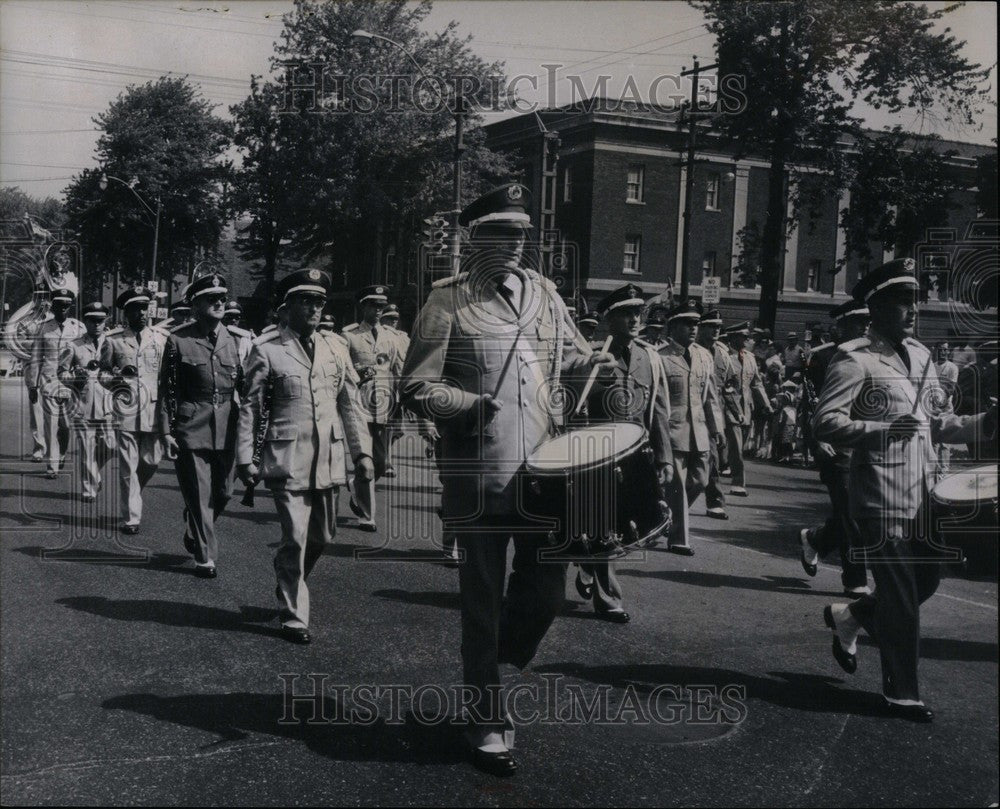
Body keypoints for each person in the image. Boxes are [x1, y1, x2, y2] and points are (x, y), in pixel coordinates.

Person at [399, 182, 614, 777]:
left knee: (547, 596)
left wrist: (592, 360)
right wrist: (466, 403)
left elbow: (568, 356)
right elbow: (415, 387)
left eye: (523, 234)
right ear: (477, 239)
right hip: (478, 476)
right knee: (483, 605)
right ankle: (485, 717)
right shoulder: (446, 302)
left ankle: (489, 671)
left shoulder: (545, 295)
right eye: (503, 233)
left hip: (546, 476)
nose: (518, 244)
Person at [812, 258, 996, 723]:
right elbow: (825, 422)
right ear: (875, 308)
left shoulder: (923, 355)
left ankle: (850, 617)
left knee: (925, 582)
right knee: (898, 594)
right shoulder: (855, 358)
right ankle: (902, 691)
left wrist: (985, 423)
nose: (912, 310)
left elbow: (938, 425)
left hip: (926, 493)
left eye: (913, 301)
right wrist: (879, 429)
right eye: (901, 301)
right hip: (880, 491)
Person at [237, 269, 373, 644]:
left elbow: (351, 405)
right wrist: (245, 457)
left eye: (319, 301)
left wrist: (363, 453)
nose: (315, 308)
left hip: (329, 458)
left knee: (323, 537)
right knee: (295, 537)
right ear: (287, 307)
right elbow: (250, 407)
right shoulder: (267, 349)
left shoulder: (336, 347)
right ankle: (295, 614)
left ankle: (288, 575)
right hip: (287, 456)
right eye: (306, 300)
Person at [576, 284, 673, 621]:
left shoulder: (651, 358)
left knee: (629, 525)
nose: (635, 319)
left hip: (637, 456)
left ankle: (589, 563)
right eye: (626, 313)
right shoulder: (592, 354)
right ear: (609, 318)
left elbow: (659, 411)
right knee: (605, 525)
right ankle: (609, 596)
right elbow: (574, 409)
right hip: (598, 454)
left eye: (638, 313)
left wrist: (664, 457)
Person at [156, 275, 244, 578]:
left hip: (228, 426)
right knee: (199, 493)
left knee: (224, 492)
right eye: (211, 298)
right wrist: (166, 431)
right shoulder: (178, 339)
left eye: (222, 297)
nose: (219, 302)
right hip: (191, 425)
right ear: (195, 305)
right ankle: (205, 556)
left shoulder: (237, 340)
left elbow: (245, 385)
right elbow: (168, 389)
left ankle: (194, 522)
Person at [798, 299, 870, 595]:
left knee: (859, 514)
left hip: (865, 447)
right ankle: (856, 581)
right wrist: (817, 441)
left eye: (867, 321)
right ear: (841, 326)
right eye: (858, 321)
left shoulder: (873, 354)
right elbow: (812, 402)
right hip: (836, 446)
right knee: (851, 515)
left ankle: (817, 539)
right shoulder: (824, 357)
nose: (866, 325)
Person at [101, 287, 169, 534]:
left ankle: (133, 492)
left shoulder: (162, 337)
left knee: (152, 460)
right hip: (127, 408)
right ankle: (131, 518)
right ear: (126, 312)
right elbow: (102, 373)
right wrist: (115, 381)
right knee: (128, 466)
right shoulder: (114, 339)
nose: (141, 313)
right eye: (135, 309)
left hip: (153, 409)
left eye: (144, 307)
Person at [657, 300, 720, 554]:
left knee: (700, 481)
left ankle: (665, 517)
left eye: (696, 324)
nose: (693, 329)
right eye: (687, 324)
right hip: (673, 432)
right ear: (673, 327)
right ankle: (678, 539)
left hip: (700, 432)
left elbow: (711, 396)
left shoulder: (705, 356)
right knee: (678, 485)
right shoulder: (660, 357)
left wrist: (717, 429)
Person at [342, 285, 402, 530]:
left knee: (379, 460)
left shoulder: (392, 336)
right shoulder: (349, 336)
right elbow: (342, 370)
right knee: (364, 460)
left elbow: (399, 370)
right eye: (373, 305)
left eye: (381, 306)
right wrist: (358, 372)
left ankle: (357, 487)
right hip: (358, 403)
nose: (378, 311)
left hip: (385, 405)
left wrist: (402, 401)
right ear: (363, 306)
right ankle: (367, 515)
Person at [58, 302, 116, 501]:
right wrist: (75, 378)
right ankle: (89, 489)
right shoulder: (74, 345)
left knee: (110, 446)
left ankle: (95, 473)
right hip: (83, 405)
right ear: (86, 321)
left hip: (107, 405)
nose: (97, 324)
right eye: (93, 320)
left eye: (101, 320)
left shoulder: (112, 344)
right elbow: (61, 373)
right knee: (86, 449)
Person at [31, 287, 85, 478]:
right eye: (59, 305)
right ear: (53, 306)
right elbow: (36, 357)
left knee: (66, 426)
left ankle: (61, 454)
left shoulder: (78, 328)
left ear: (70, 307)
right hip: (49, 382)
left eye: (66, 305)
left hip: (71, 383)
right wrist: (32, 384)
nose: (62, 308)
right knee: (50, 425)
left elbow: (85, 355)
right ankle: (52, 465)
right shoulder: (44, 327)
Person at [697, 309, 737, 519]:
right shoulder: (691, 350)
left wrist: (734, 411)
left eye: (718, 327)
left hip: (714, 412)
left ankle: (714, 501)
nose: (715, 331)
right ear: (700, 328)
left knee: (712, 457)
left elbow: (730, 384)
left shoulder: (722, 354)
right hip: (692, 410)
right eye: (711, 326)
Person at [722, 322, 771, 496]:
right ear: (733, 337)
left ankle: (722, 466)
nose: (747, 339)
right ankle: (738, 482)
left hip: (746, 407)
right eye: (743, 336)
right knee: (735, 446)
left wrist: (766, 404)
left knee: (738, 445)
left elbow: (756, 383)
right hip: (727, 407)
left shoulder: (750, 357)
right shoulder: (723, 356)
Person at [23, 285, 52, 462]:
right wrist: (36, 346)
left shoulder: (56, 319)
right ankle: (39, 448)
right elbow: (16, 342)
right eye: (39, 297)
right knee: (36, 411)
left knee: (56, 413)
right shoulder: (27, 321)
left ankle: (55, 447)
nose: (43, 301)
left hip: (52, 371)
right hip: (33, 369)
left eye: (46, 297)